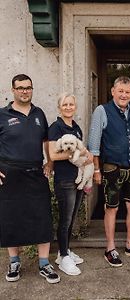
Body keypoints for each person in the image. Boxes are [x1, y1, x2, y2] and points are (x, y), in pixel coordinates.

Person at [0, 74, 60, 284]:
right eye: (21, 88)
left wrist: (50, 162)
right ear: (13, 90)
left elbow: (46, 141)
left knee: (42, 217)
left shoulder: (39, 113)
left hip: (36, 172)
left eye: (28, 88)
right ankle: (14, 262)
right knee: (11, 218)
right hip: (10, 174)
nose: (25, 91)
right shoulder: (2, 114)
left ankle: (44, 264)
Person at [88, 76, 130, 267]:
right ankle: (110, 248)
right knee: (111, 208)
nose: (124, 95)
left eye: (127, 92)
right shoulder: (102, 110)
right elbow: (94, 144)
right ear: (113, 91)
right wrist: (96, 169)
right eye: (120, 91)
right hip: (111, 168)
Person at [48, 93, 93, 276]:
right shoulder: (55, 127)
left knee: (72, 218)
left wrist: (87, 156)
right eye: (64, 104)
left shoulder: (75, 128)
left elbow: (82, 149)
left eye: (71, 104)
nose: (68, 107)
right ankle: (64, 257)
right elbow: (52, 155)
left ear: (75, 107)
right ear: (59, 107)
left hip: (78, 177)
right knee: (65, 219)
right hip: (65, 179)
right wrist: (73, 155)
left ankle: (63, 252)